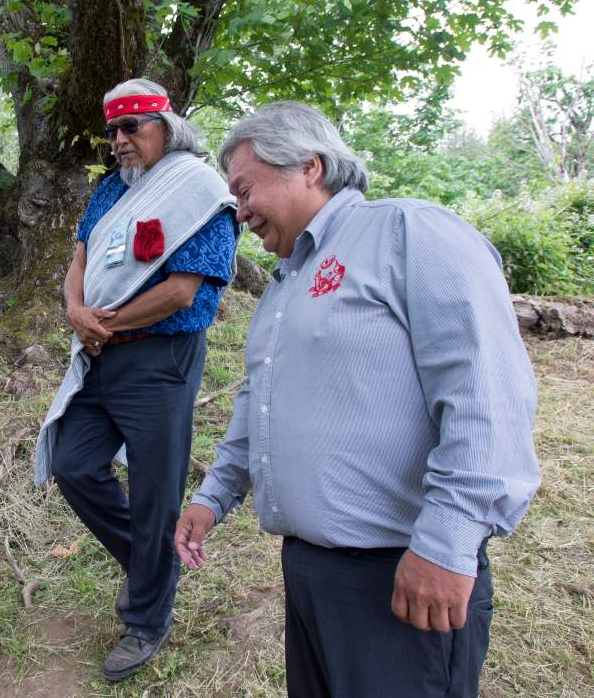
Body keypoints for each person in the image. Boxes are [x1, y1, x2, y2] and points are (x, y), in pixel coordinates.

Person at [174, 101, 540, 697]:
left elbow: (486, 390)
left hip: (402, 573)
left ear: (309, 167)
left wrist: (448, 543)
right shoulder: (284, 284)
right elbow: (258, 402)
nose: (239, 213)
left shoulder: (409, 233)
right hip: (311, 570)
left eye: (244, 190)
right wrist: (214, 497)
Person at [34, 78, 239, 681]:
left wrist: (108, 320)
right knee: (73, 463)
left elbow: (183, 290)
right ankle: (154, 566)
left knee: (155, 490)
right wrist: (77, 311)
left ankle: (147, 617)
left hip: (160, 356)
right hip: (100, 352)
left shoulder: (199, 190)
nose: (121, 140)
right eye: (114, 130)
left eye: (134, 127)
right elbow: (79, 261)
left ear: (166, 128)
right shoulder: (108, 191)